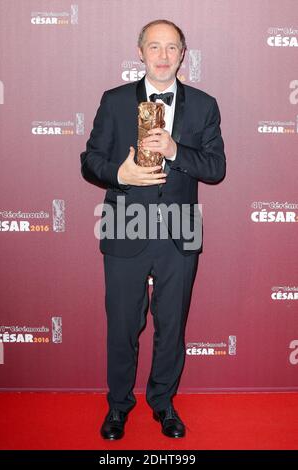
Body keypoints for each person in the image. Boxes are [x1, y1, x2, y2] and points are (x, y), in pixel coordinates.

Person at [80, 19, 226, 440]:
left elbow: (216, 168)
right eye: (154, 47)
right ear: (140, 52)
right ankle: (118, 406)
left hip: (180, 231)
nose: (163, 56)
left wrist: (178, 151)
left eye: (172, 48)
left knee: (172, 326)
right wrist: (120, 173)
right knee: (123, 324)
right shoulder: (113, 101)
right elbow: (90, 161)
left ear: (183, 54)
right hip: (125, 227)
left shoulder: (204, 105)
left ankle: (163, 404)